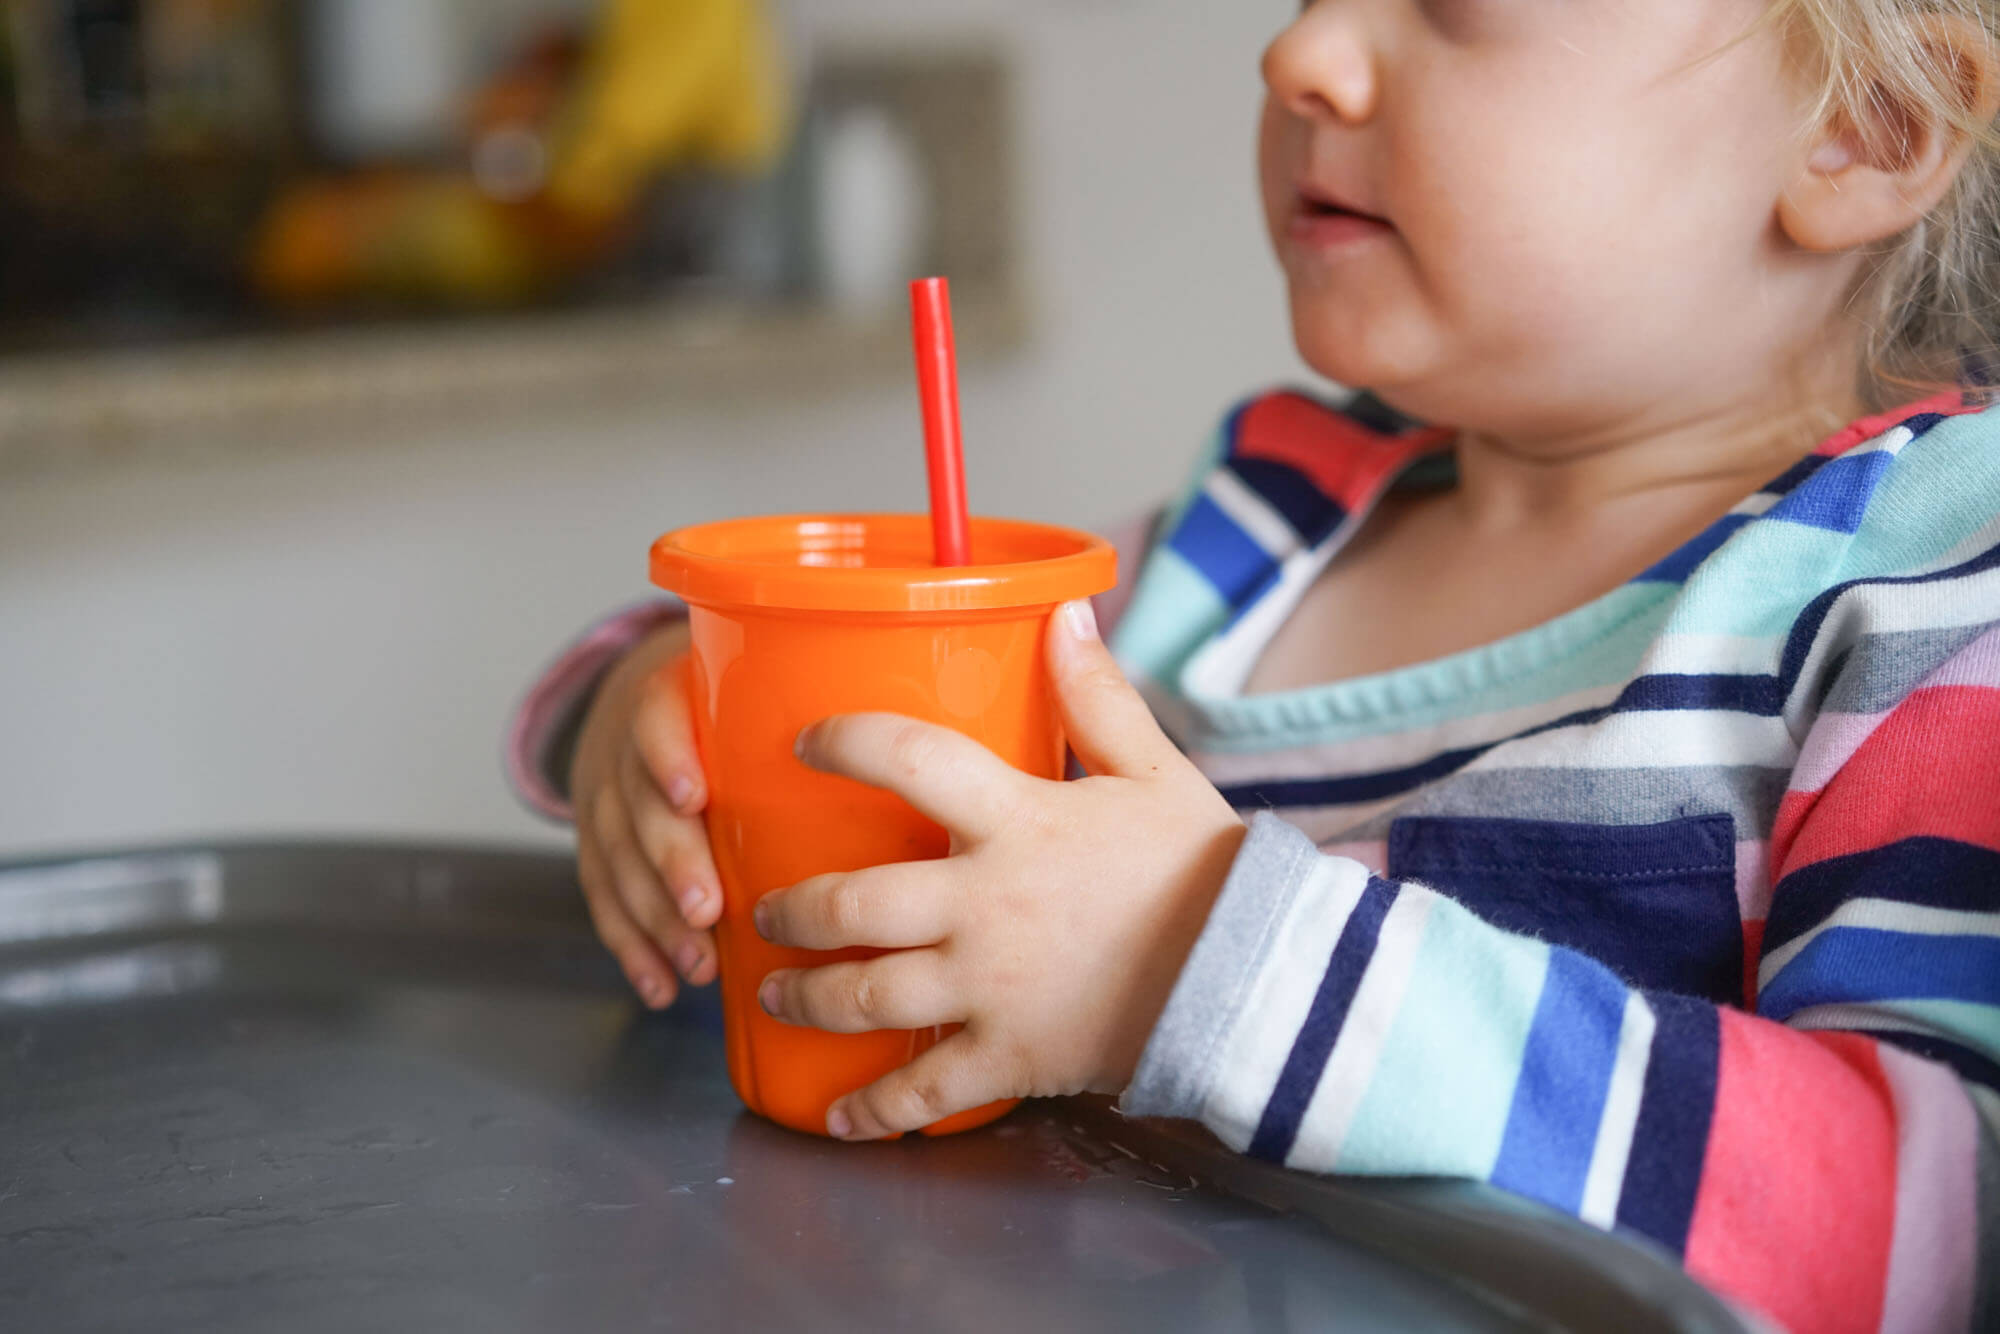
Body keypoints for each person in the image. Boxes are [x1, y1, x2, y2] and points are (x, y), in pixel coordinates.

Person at [508, 3, 2000, 1329]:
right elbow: (883, 699)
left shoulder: (1922, 595)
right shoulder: (1254, 530)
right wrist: (643, 717)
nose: (1297, 50)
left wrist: (1198, 958)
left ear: (1868, 129)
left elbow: (1924, 1241)